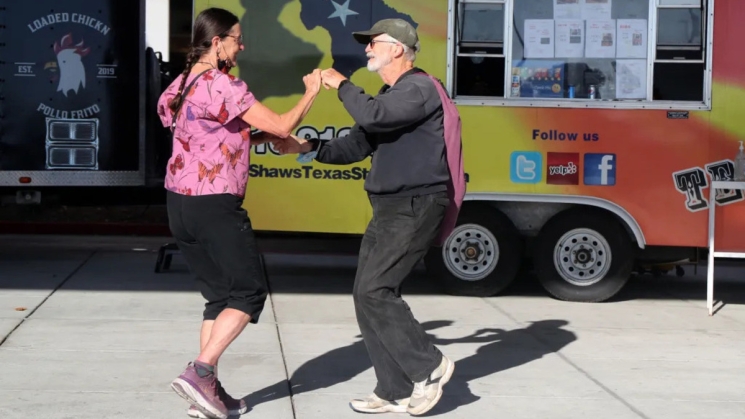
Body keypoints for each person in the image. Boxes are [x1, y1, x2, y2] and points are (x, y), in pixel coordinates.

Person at [274, 18, 466, 416]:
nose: (367, 49)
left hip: (416, 205)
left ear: (397, 48)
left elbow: (375, 117)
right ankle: (393, 387)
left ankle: (429, 366)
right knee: (366, 295)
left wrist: (341, 84)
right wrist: (305, 147)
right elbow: (358, 143)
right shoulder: (390, 95)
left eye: (373, 43)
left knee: (377, 290)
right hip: (389, 207)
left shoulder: (420, 88)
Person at [155, 7, 321, 419]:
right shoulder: (223, 85)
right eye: (237, 38)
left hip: (179, 203)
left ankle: (207, 392)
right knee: (247, 294)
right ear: (217, 42)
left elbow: (210, 131)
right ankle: (200, 371)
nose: (241, 45)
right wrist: (313, 90)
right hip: (215, 203)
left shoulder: (178, 86)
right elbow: (283, 125)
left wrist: (256, 136)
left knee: (217, 299)